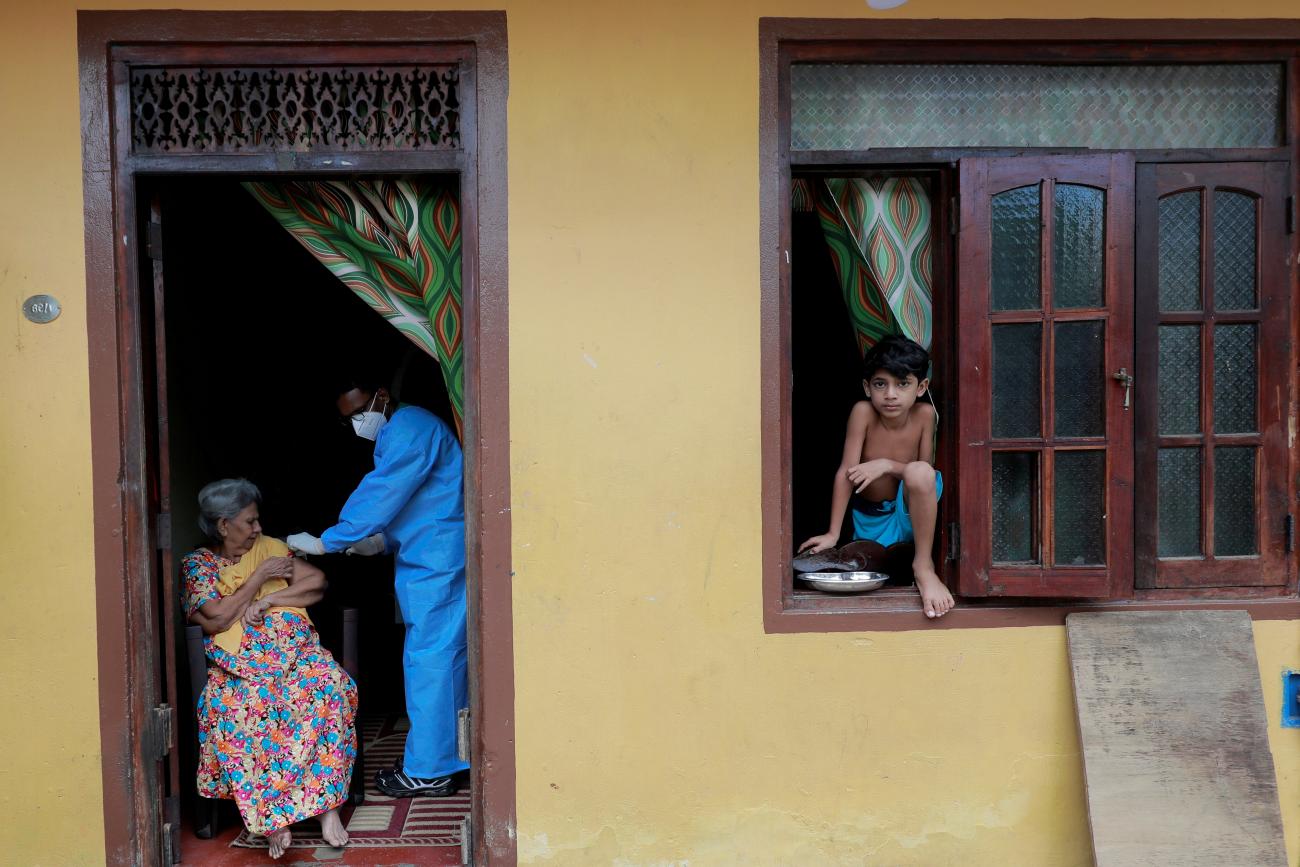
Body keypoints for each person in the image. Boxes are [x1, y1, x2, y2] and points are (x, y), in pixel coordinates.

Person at [287, 378, 469, 797]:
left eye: (359, 411)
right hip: (428, 558)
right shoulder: (399, 431)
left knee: (432, 664)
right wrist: (379, 542)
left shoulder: (410, 428)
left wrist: (331, 539)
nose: (356, 423)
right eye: (348, 419)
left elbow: (385, 490)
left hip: (436, 562)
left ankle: (429, 770)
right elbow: (422, 502)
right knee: (440, 662)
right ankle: (444, 757)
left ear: (382, 395)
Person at [182, 478, 357, 859]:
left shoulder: (272, 547)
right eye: (250, 522)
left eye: (258, 520)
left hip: (295, 650)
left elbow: (316, 581)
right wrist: (259, 578)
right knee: (238, 707)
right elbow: (215, 618)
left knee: (331, 686)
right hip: (240, 662)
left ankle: (328, 809)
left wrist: (271, 599)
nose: (258, 528)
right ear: (223, 524)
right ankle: (274, 816)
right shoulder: (198, 565)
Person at [798, 335, 954, 619]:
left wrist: (884, 464)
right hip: (870, 520)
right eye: (881, 384)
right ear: (867, 387)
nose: (891, 394)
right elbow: (846, 472)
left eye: (902, 384)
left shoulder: (925, 415)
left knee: (920, 471)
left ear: (921, 387)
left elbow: (924, 471)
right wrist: (833, 533)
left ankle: (923, 566)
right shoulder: (863, 413)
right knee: (870, 565)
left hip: (910, 515)